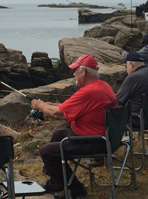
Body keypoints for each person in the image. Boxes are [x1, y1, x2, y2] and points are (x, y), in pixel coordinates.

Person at [31, 55, 118, 198]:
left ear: (83, 72)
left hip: (94, 141)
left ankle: (75, 189)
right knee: (58, 134)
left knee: (47, 151)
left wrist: (40, 105)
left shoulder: (88, 92)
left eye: (75, 70)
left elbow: (57, 115)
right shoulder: (102, 86)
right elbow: (69, 108)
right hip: (106, 136)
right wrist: (48, 105)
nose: (73, 73)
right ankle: (56, 181)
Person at [116, 52, 148, 128]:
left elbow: (118, 100)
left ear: (131, 64)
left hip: (136, 119)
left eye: (126, 66)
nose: (126, 69)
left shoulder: (133, 77)